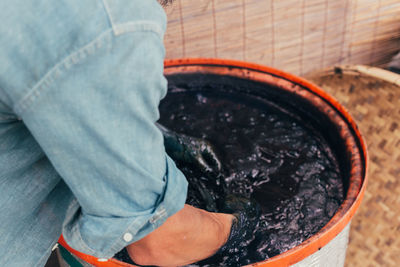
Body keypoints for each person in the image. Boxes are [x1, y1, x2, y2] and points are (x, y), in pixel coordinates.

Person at [0, 0, 236, 266]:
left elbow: (50, 85)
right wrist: (234, 226)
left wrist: (153, 139)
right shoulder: (107, 19)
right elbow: (158, 240)